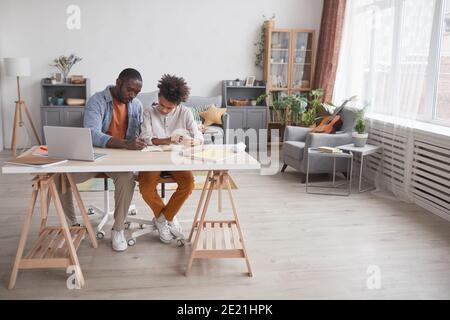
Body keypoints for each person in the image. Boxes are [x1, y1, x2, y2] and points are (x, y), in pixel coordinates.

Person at [56, 68, 146, 252]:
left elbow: (139, 134)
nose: (132, 95)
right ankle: (72, 224)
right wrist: (125, 143)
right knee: (60, 178)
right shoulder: (97, 101)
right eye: (130, 89)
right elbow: (91, 133)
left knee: (127, 179)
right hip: (95, 156)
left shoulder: (136, 105)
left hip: (121, 158)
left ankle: (118, 229)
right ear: (118, 82)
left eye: (137, 92)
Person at [139, 74, 203, 243]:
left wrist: (193, 140)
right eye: (162, 105)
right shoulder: (149, 112)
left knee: (188, 183)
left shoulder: (185, 112)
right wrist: (168, 139)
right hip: (154, 157)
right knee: (145, 188)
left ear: (178, 104)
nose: (164, 110)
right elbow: (146, 138)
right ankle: (167, 217)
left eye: (169, 108)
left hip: (177, 157)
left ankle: (163, 218)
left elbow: (199, 136)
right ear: (158, 97)